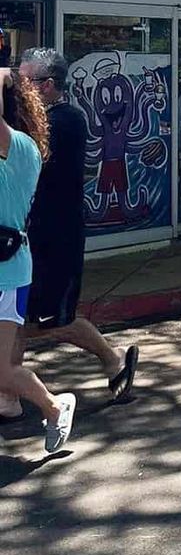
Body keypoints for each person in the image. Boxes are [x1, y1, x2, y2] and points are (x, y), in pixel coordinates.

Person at [0, 50, 138, 421]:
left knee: (57, 317)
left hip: (57, 239)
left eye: (24, 81)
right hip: (28, 239)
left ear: (47, 85)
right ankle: (7, 396)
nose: (18, 88)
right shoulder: (35, 123)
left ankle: (113, 360)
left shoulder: (66, 120)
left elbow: (20, 140)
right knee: (20, 319)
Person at [0, 68, 76, 453]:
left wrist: (1, 75)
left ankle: (53, 408)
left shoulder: (22, 149)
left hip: (7, 274)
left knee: (2, 369)